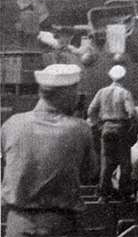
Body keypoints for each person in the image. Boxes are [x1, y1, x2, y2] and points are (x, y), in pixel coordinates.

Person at [1, 64, 98, 237]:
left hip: (18, 224)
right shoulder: (80, 129)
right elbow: (89, 173)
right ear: (66, 94)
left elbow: (6, 166)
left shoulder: (11, 124)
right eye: (75, 93)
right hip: (60, 226)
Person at [87, 64, 138, 200]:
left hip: (106, 128)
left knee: (106, 162)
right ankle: (124, 193)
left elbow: (91, 111)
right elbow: (132, 113)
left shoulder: (102, 92)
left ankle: (103, 194)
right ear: (124, 77)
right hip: (120, 129)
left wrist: (97, 125)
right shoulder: (124, 93)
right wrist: (131, 127)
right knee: (125, 163)